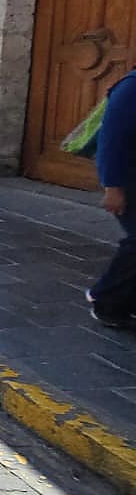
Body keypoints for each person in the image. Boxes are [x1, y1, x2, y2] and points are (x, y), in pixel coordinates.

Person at [90, 68, 136, 327]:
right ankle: (105, 299)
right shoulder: (132, 87)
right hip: (130, 182)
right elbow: (111, 140)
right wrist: (112, 187)